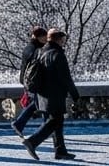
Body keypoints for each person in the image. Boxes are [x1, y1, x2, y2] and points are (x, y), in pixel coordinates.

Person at [21, 28, 80, 161]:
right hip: (55, 93)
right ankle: (32, 141)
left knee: (56, 121)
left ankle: (60, 151)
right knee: (55, 121)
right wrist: (75, 94)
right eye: (62, 40)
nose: (64, 42)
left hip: (43, 93)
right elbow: (66, 77)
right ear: (58, 40)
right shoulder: (57, 54)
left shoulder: (41, 51)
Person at [12, 26, 49, 138]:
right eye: (44, 37)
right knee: (42, 104)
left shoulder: (31, 47)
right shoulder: (35, 49)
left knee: (37, 103)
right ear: (39, 37)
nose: (46, 39)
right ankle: (46, 128)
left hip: (29, 80)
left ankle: (20, 124)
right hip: (33, 81)